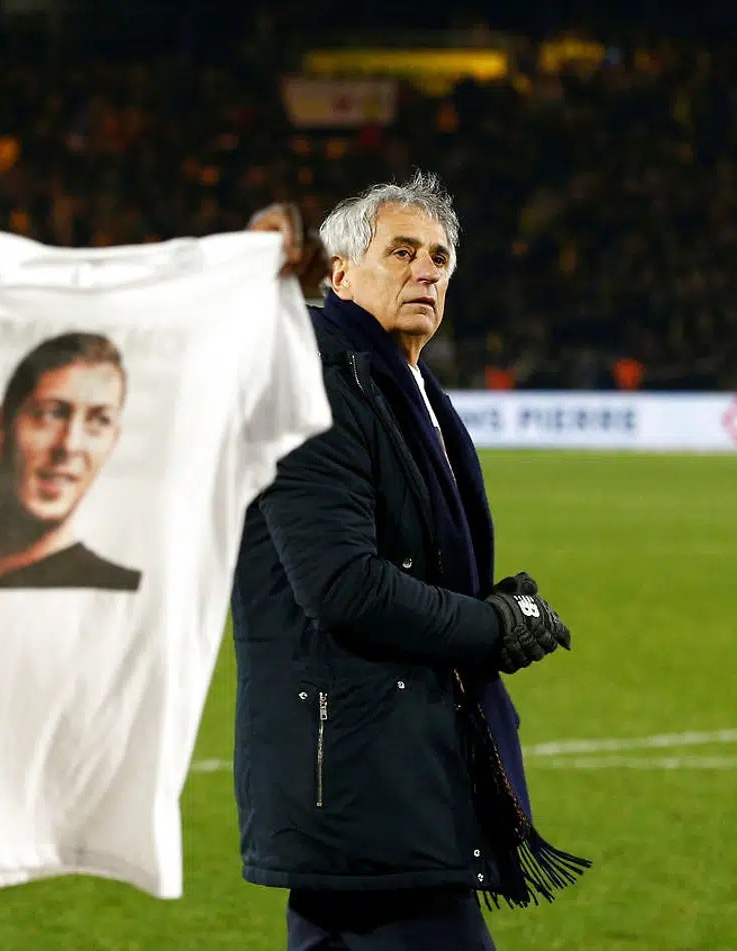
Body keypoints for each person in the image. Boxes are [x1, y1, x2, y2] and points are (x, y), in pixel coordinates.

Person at [230, 171, 588, 951]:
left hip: (360, 777)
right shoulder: (318, 383)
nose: (426, 269)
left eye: (440, 256)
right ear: (339, 273)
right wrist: (488, 627)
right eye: (402, 251)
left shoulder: (400, 386)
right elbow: (343, 585)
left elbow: (392, 563)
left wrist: (483, 603)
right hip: (365, 784)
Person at [0, 332, 141, 591]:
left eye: (99, 421)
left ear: (113, 442)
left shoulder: (123, 590)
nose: (69, 445)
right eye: (51, 414)